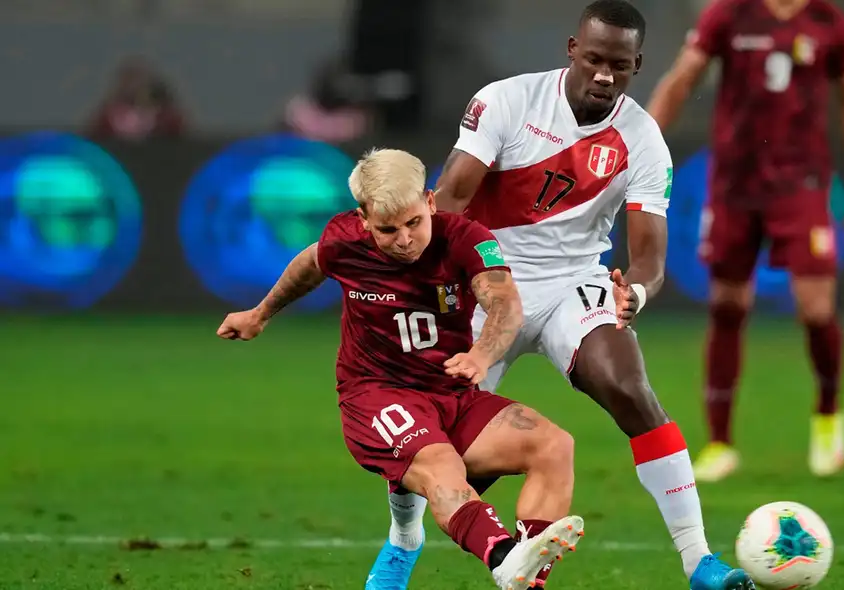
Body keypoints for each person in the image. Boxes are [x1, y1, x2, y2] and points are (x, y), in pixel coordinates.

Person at [366, 2, 754, 590]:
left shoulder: (643, 140)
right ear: (572, 50)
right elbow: (452, 198)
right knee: (435, 444)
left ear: (637, 65)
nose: (604, 75)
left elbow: (649, 256)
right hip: (485, 279)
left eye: (618, 66)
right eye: (594, 59)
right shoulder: (507, 101)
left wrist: (636, 292)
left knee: (629, 387)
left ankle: (698, 560)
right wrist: (420, 278)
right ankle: (403, 539)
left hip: (572, 282)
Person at [216, 148, 585, 590]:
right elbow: (311, 264)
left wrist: (482, 356)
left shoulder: (467, 239)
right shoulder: (344, 241)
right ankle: (504, 558)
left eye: (414, 223)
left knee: (553, 447)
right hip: (375, 393)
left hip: (450, 392)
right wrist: (260, 313)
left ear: (430, 201)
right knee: (440, 464)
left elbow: (505, 303)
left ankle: (524, 579)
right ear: (364, 220)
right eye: (388, 230)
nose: (405, 239)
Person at [645, 0, 844, 482]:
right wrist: (640, 145)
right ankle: (720, 443)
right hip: (734, 185)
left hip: (802, 184)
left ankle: (828, 414)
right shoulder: (728, 14)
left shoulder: (828, 21)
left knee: (816, 309)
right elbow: (682, 79)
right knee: (727, 305)